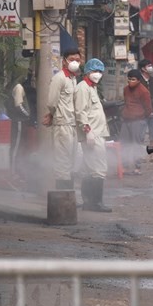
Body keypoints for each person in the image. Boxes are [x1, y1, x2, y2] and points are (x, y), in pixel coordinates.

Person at [75, 58, 112, 212]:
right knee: (99, 168)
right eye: (94, 71)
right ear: (87, 72)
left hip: (96, 133)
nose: (97, 74)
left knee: (89, 168)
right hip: (92, 134)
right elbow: (80, 111)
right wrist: (87, 131)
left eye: (100, 71)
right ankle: (95, 203)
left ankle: (88, 202)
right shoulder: (83, 88)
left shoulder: (92, 87)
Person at [43, 48, 81, 190]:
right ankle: (62, 198)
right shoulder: (59, 78)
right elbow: (52, 102)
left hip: (72, 124)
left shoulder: (73, 79)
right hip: (62, 124)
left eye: (77, 60)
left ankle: (69, 196)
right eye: (72, 59)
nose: (75, 62)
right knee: (62, 163)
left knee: (71, 162)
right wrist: (52, 115)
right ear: (64, 61)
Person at [120, 69, 153, 175]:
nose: (130, 81)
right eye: (129, 79)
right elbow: (126, 102)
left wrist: (143, 117)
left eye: (133, 79)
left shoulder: (144, 91)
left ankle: (137, 167)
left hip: (138, 121)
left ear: (138, 80)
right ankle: (124, 166)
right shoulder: (126, 89)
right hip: (126, 120)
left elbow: (148, 108)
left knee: (136, 144)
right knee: (124, 144)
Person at [8, 72, 32, 179]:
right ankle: (12, 173)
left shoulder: (15, 85)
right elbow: (18, 105)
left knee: (18, 146)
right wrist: (27, 114)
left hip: (18, 120)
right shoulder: (18, 87)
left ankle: (16, 170)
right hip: (19, 121)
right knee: (16, 146)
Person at [137, 59, 153, 144]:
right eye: (148, 66)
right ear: (143, 69)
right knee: (141, 132)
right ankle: (139, 151)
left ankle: (152, 151)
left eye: (151, 65)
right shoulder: (138, 81)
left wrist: (152, 102)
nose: (151, 67)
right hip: (142, 111)